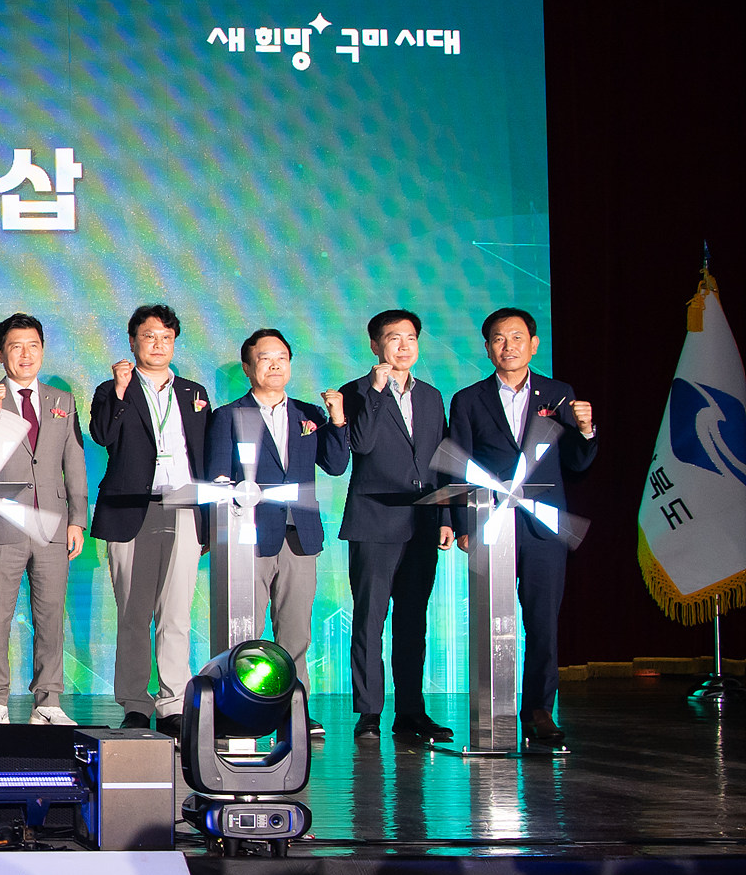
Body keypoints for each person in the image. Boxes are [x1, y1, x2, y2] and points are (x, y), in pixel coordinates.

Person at [445, 306, 596, 748]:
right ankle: (493, 709)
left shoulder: (559, 394)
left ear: (533, 344)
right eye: (498, 338)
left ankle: (538, 711)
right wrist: (462, 524)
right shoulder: (468, 399)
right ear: (487, 347)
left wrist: (586, 430)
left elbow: (577, 463)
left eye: (516, 337)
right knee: (492, 621)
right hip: (489, 523)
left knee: (542, 620)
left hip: (542, 525)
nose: (507, 346)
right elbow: (458, 465)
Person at [205, 328, 351, 736]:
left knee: (296, 632)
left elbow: (336, 465)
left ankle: (294, 712)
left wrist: (337, 419)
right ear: (248, 367)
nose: (274, 365)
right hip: (247, 536)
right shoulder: (228, 415)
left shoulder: (309, 414)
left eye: (282, 358)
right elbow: (216, 478)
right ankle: (238, 712)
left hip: (300, 535)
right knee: (242, 631)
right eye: (265, 359)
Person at [323, 309, 454, 745]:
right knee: (369, 620)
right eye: (393, 338)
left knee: (413, 620)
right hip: (374, 522)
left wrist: (447, 516)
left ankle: (411, 711)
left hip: (422, 522)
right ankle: (369, 712)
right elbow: (360, 444)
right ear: (375, 345)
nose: (403, 346)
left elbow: (442, 462)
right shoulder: (356, 391)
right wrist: (377, 392)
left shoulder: (431, 396)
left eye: (410, 337)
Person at [89, 303, 212, 734]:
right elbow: (103, 435)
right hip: (130, 509)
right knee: (133, 614)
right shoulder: (112, 389)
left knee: (176, 613)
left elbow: (204, 455)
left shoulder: (194, 392)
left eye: (166, 337)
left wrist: (210, 518)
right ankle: (135, 703)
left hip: (184, 507)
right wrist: (122, 390)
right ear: (132, 341)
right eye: (149, 336)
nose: (158, 344)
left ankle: (174, 702)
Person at [0, 313, 88, 726]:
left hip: (53, 522)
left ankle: (48, 701)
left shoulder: (62, 400)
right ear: (1, 354)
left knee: (50, 615)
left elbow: (74, 461)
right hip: (3, 523)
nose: (25, 354)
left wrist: (77, 519)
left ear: (42, 350)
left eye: (33, 345)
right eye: (16, 346)